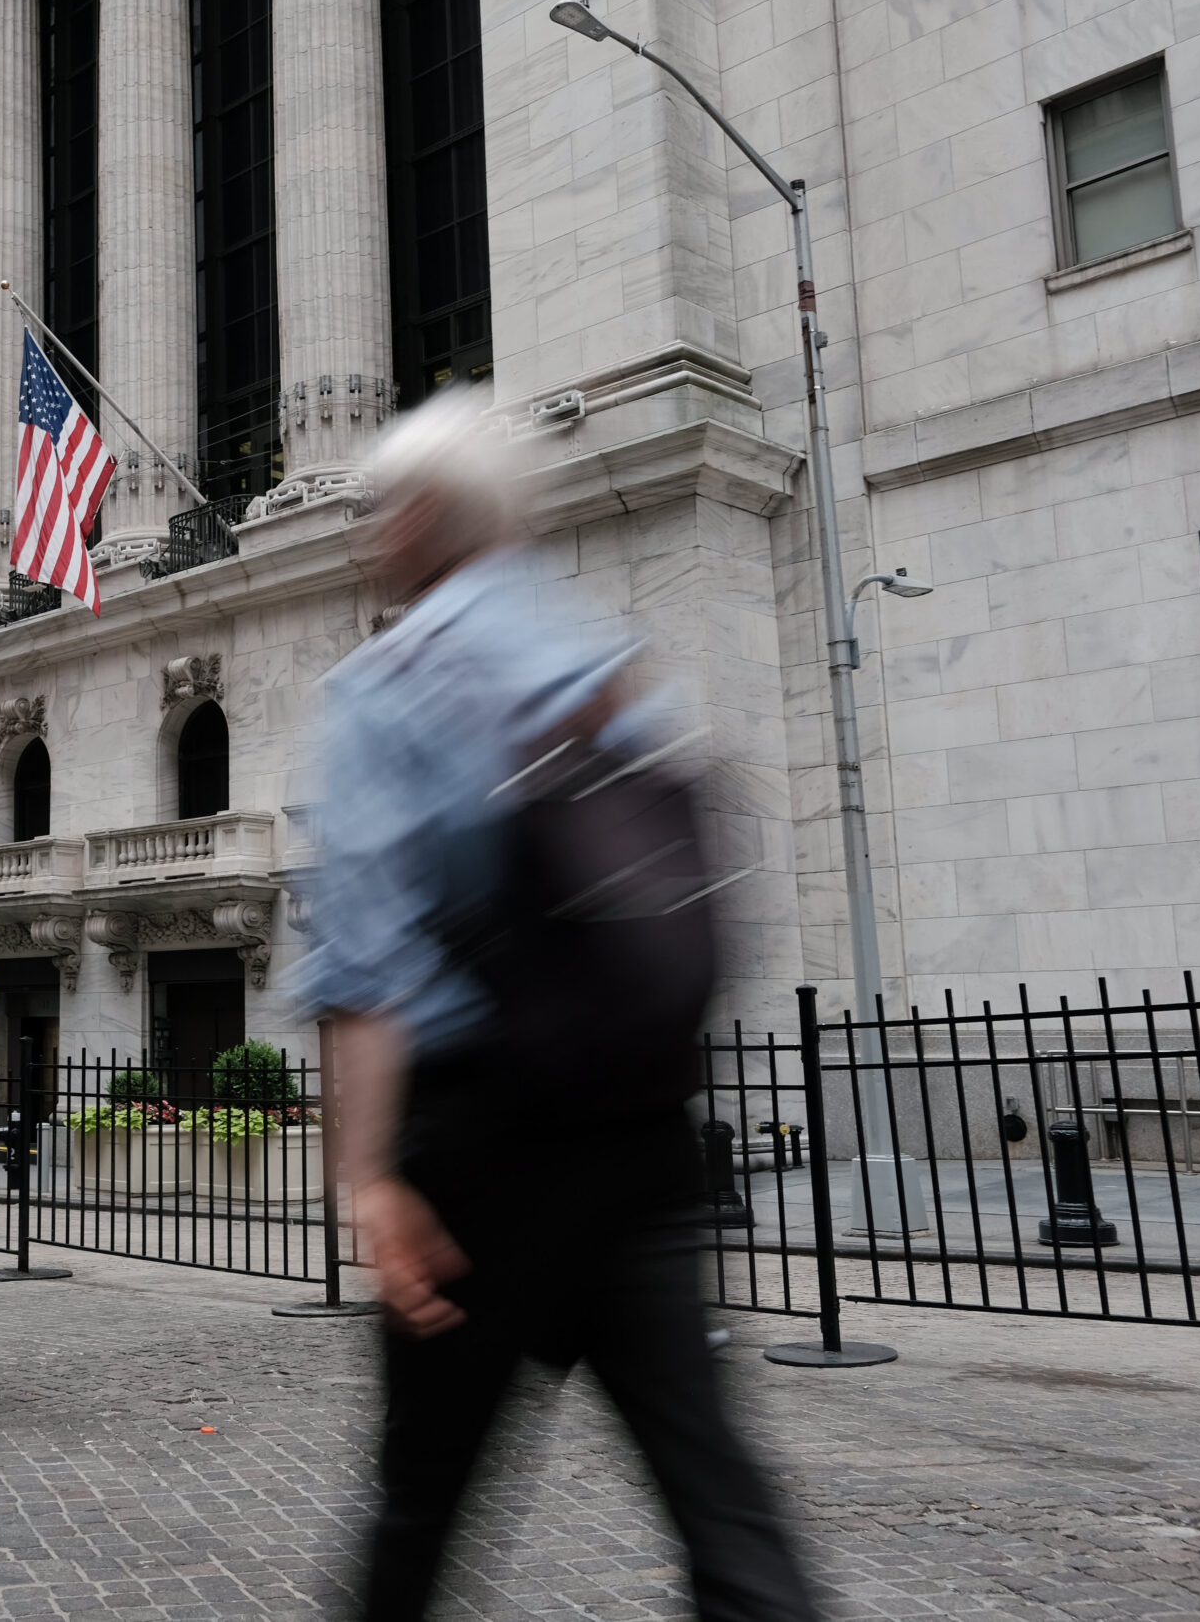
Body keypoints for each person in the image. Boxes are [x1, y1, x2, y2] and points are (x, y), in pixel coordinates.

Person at [297, 395, 818, 1622]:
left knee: (419, 1504)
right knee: (717, 1497)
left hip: (477, 1158)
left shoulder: (390, 680)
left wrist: (369, 1177)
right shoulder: (597, 655)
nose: (367, 533)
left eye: (376, 509)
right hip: (640, 1138)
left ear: (423, 515)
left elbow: (364, 966)